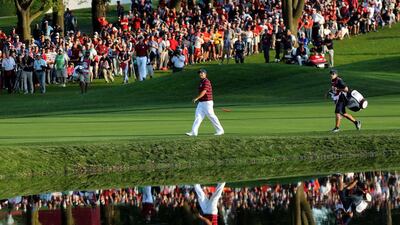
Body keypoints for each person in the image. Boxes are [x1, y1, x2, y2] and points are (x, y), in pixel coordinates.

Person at [186, 69, 224, 136]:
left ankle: (220, 130)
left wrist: (197, 98)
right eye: (200, 73)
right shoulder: (201, 81)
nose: (201, 74)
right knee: (198, 116)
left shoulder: (206, 81)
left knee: (211, 116)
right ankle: (194, 132)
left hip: (207, 102)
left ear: (205, 74)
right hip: (201, 103)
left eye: (202, 73)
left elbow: (204, 91)